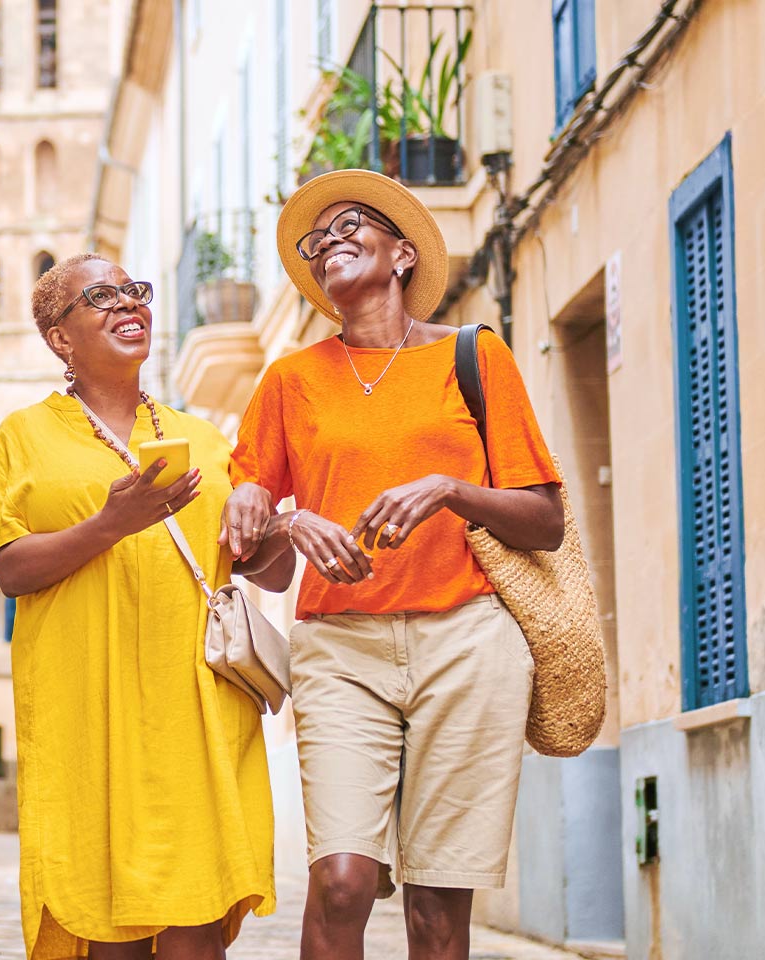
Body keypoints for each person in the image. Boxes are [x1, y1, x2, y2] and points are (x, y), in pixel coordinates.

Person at [219, 169, 563, 960]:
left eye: (350, 226)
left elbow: (544, 521)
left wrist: (451, 490)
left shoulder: (476, 358)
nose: (330, 240)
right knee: (340, 881)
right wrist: (291, 522)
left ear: (403, 254)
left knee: (439, 907)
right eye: (318, 239)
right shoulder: (290, 382)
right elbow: (259, 566)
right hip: (341, 650)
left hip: (467, 643)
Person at [0, 254, 275, 960]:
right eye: (100, 296)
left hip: (195, 716)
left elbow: (261, 564)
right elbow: (10, 570)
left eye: (135, 291)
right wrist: (109, 524)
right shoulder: (24, 437)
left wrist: (276, 523)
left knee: (196, 928)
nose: (127, 303)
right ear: (60, 337)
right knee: (108, 932)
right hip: (88, 719)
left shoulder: (202, 439)